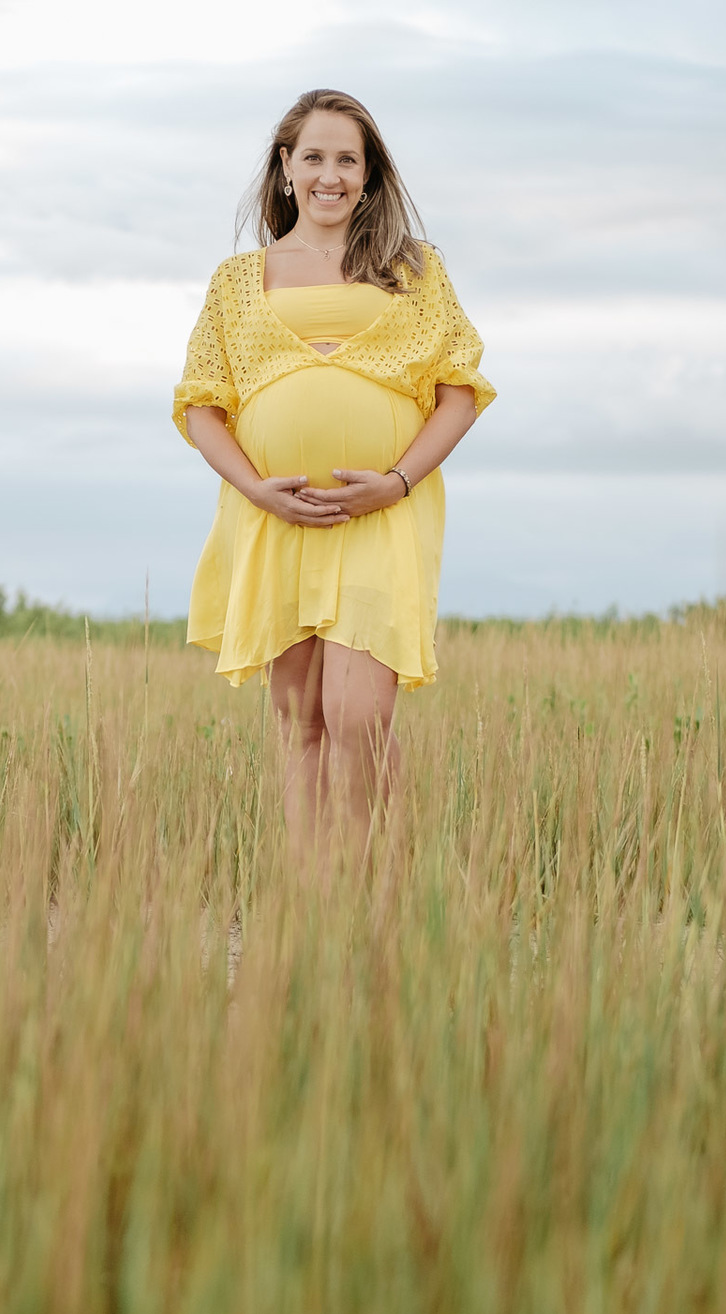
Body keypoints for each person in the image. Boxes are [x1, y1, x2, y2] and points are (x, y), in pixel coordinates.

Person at [174, 88, 495, 866]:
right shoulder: (237, 280)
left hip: (378, 518)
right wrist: (255, 489)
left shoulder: (412, 271)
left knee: (359, 717)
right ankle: (314, 908)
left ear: (368, 172)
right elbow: (199, 406)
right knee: (300, 723)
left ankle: (378, 896)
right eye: (313, 157)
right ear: (285, 168)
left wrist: (398, 481)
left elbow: (460, 392)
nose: (330, 175)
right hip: (276, 520)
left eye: (346, 159)